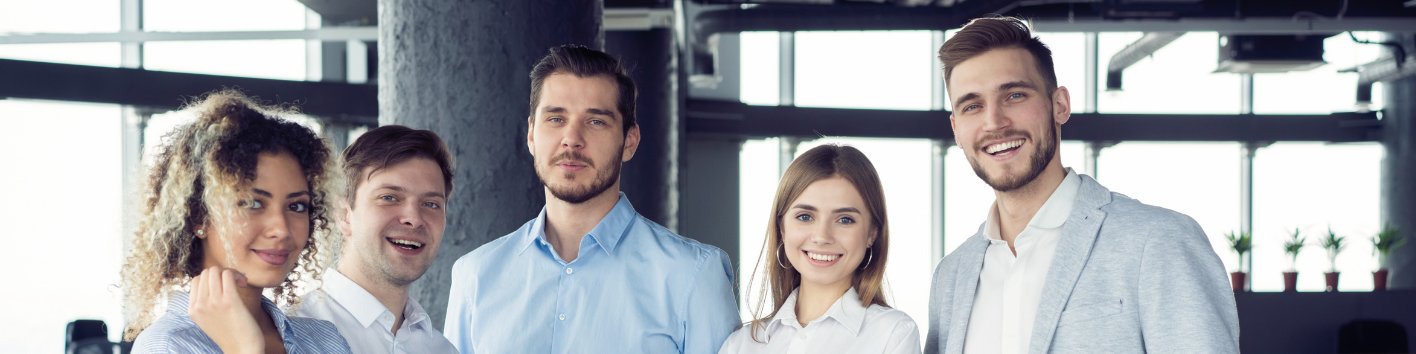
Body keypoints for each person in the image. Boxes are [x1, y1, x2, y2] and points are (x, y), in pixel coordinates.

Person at [924, 17, 1240, 354]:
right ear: (956, 129)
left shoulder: (1158, 242)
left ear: (1059, 105)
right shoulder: (951, 276)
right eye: (973, 106)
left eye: (1015, 95)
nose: (994, 122)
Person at [443, 44, 739, 354]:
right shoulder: (475, 275)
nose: (572, 138)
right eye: (556, 119)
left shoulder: (693, 276)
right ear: (531, 135)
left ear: (629, 141)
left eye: (596, 121)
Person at [122, 90, 352, 353]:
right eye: (253, 203)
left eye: (296, 205)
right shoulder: (167, 346)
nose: (281, 228)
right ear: (200, 216)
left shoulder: (324, 340)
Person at [720, 144, 920, 354]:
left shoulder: (892, 334)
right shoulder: (741, 345)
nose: (822, 236)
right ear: (782, 228)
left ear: (872, 233)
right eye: (805, 217)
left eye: (844, 219)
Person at [293, 125, 458, 353]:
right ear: (344, 214)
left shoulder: (441, 349)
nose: (414, 218)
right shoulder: (291, 335)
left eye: (431, 204)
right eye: (389, 197)